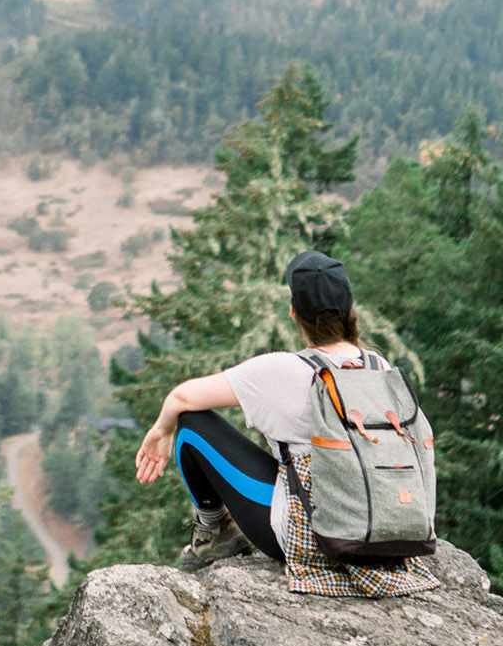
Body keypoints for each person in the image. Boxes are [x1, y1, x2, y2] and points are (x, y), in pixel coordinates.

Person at [135, 250, 440, 599]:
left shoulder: (283, 370)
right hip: (391, 534)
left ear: (293, 311)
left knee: (191, 425)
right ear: (351, 311)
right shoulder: (381, 369)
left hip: (315, 539)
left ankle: (214, 532)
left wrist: (161, 430)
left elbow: (183, 399)